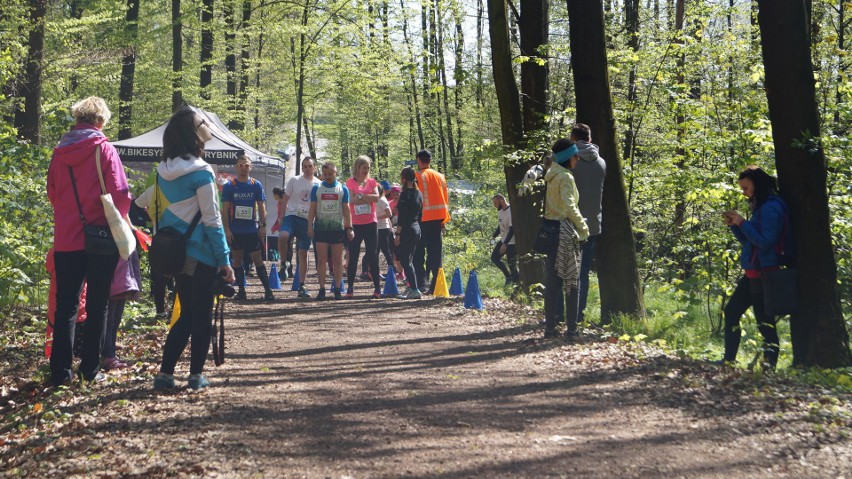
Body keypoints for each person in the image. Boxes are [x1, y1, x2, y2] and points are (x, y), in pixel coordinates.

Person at [46, 96, 132, 386]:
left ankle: (59, 373)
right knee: (98, 305)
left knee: (66, 305)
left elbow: (53, 194)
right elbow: (120, 193)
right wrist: (117, 219)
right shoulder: (104, 149)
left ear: (77, 119)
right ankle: (89, 369)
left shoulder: (59, 152)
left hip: (66, 239)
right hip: (100, 238)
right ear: (101, 121)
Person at [151, 107, 235, 390]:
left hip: (175, 254)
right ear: (192, 131)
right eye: (203, 121)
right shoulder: (202, 172)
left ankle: (165, 373)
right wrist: (225, 259)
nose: (207, 123)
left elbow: (146, 204)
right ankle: (196, 375)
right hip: (202, 254)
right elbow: (213, 221)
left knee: (187, 313)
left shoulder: (163, 171)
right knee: (201, 315)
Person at [720, 166, 789, 370]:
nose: (744, 193)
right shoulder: (761, 207)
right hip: (753, 273)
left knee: (764, 323)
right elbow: (750, 242)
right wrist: (735, 225)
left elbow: (766, 242)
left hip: (765, 273)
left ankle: (769, 367)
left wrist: (742, 222)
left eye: (746, 188)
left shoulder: (770, 208)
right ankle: (728, 361)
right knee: (732, 312)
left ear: (757, 185)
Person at [544, 139, 590, 339]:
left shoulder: (552, 175)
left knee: (552, 282)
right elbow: (570, 207)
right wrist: (584, 227)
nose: (577, 159)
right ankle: (572, 330)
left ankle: (550, 328)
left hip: (550, 230)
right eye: (574, 155)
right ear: (567, 158)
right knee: (572, 280)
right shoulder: (565, 177)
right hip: (565, 232)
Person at [222, 155, 273, 301]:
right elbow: (224, 209)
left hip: (251, 230)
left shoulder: (255, 184)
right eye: (240, 165)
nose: (243, 167)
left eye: (246, 165)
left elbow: (262, 207)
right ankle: (242, 290)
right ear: (236, 167)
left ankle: (268, 290)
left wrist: (263, 226)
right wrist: (227, 229)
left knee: (257, 259)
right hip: (236, 230)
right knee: (237, 260)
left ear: (250, 167)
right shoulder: (229, 186)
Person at [569, 123, 606, 322]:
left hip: (571, 224)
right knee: (582, 272)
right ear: (590, 139)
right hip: (593, 225)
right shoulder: (601, 163)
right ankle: (579, 315)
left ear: (573, 139)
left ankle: (562, 314)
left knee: (564, 270)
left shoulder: (571, 163)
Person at [308, 162, 353, 300]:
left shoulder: (342, 189)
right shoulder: (317, 188)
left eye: (331, 174)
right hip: (321, 229)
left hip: (337, 229)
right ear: (322, 173)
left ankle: (338, 289)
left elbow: (346, 209)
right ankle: (322, 289)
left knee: (337, 261)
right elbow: (312, 209)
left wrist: (349, 228)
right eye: (325, 174)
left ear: (336, 172)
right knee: (321, 261)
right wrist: (310, 225)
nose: (328, 176)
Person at [279, 157, 321, 298]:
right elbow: (284, 198)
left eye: (310, 166)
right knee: (283, 236)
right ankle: (284, 264)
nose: (307, 169)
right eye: (305, 166)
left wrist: (315, 223)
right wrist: (281, 217)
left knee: (303, 254)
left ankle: (302, 285)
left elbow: (319, 206)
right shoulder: (294, 180)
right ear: (302, 168)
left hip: (307, 220)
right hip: (291, 216)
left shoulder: (319, 184)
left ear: (314, 168)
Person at [414, 149, 450, 294]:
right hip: (438, 219)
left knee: (418, 253)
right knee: (435, 253)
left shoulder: (417, 176)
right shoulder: (440, 176)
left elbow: (415, 199)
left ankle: (422, 284)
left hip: (422, 219)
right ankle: (436, 285)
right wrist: (444, 221)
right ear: (430, 160)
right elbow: (445, 199)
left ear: (419, 160)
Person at [345, 155, 382, 299]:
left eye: (368, 168)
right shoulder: (350, 182)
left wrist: (361, 196)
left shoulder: (372, 182)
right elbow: (350, 200)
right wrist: (366, 196)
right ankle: (350, 287)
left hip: (370, 223)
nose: (366, 170)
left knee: (373, 255)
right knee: (353, 256)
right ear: (357, 168)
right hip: (355, 224)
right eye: (364, 167)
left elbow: (376, 198)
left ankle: (377, 289)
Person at [394, 167, 423, 299]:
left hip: (407, 230)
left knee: (405, 260)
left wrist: (398, 234)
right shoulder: (419, 193)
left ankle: (415, 289)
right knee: (409, 259)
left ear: (403, 179)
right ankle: (411, 286)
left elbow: (402, 217)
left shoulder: (405, 194)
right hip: (417, 229)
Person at [490, 194, 519, 285]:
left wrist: (505, 244)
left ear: (501, 201)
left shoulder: (511, 211)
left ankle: (516, 284)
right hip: (503, 240)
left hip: (511, 242)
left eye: (495, 203)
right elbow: (500, 226)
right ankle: (508, 277)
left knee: (512, 265)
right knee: (494, 258)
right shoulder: (500, 211)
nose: (494, 205)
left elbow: (512, 229)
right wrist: (494, 236)